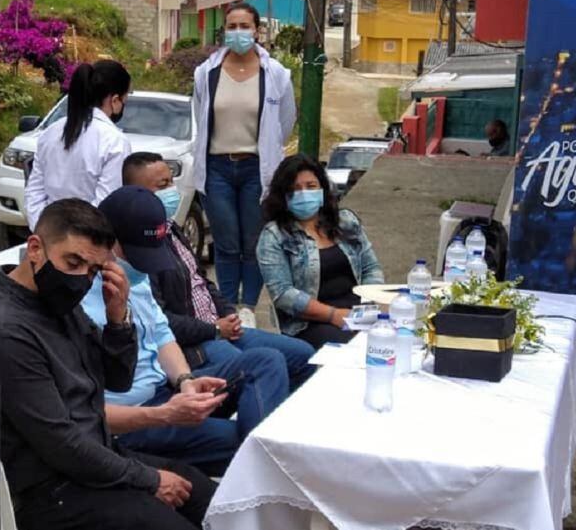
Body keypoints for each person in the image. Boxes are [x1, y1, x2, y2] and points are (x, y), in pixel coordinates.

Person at [0, 199, 215, 530]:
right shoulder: (6, 332)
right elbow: (62, 444)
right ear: (35, 248)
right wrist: (148, 480)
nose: (81, 278)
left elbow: (117, 379)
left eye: (93, 270)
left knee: (202, 493)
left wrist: (118, 319)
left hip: (93, 460)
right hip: (49, 491)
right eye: (73, 262)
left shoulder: (57, 303)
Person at [82, 186, 289, 475]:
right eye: (135, 256)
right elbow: (80, 412)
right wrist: (164, 415)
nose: (143, 268)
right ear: (106, 241)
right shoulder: (80, 297)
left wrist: (185, 381)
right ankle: (265, 467)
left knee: (267, 360)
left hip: (165, 390)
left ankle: (263, 461)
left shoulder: (134, 277)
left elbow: (163, 335)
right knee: (240, 442)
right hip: (132, 420)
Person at [122, 152, 316, 389]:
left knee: (304, 355)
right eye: (162, 185)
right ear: (136, 194)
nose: (172, 190)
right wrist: (214, 329)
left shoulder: (173, 228)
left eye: (171, 181)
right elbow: (161, 320)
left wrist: (227, 314)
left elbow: (202, 281)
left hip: (220, 328)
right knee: (255, 368)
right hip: (196, 342)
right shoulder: (140, 249)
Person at [191, 2, 297, 311]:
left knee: (253, 244)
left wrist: (266, 152)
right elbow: (201, 116)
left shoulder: (275, 74)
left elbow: (285, 122)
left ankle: (248, 308)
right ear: (224, 31)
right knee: (225, 243)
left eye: (244, 26)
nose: (238, 33)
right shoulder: (206, 73)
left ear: (257, 30)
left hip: (256, 170)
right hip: (217, 168)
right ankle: (227, 309)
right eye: (232, 27)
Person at [256, 154, 385, 350]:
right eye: (295, 189)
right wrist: (335, 315)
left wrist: (367, 307)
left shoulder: (346, 221)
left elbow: (370, 267)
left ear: (323, 189)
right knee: (353, 349)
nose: (304, 193)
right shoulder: (274, 235)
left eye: (311, 186)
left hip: (358, 313)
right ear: (283, 196)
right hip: (310, 323)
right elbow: (284, 295)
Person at [24, 60, 132, 229]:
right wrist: (78, 238)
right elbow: (106, 203)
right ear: (115, 100)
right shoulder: (114, 141)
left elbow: (34, 192)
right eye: (126, 98)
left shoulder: (50, 132)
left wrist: (45, 231)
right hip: (89, 241)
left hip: (49, 236)